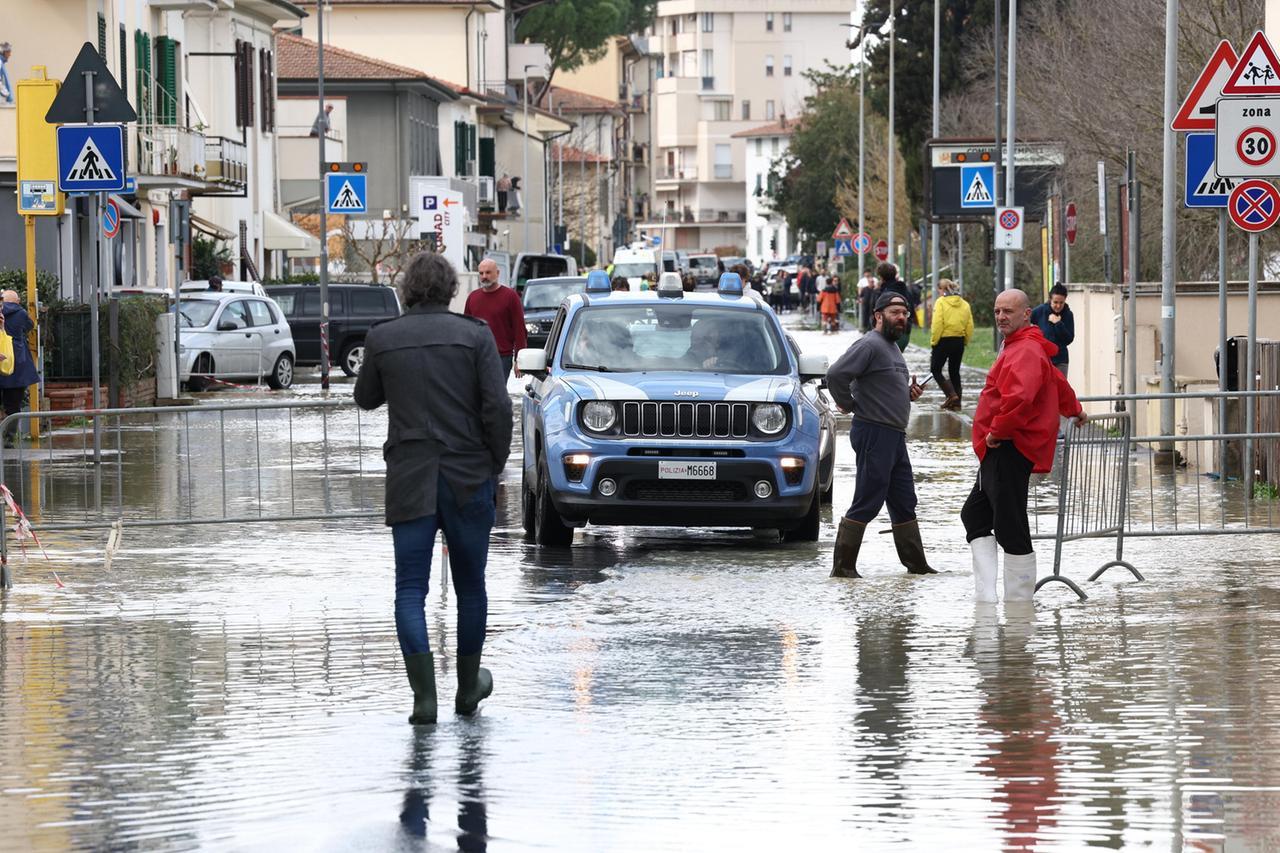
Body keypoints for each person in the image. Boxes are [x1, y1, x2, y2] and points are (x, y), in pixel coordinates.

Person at [354, 252, 512, 725]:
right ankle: (467, 689)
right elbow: (498, 408)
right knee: (471, 588)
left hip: (410, 477)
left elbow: (365, 398)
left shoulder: (383, 338)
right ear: (450, 289)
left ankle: (424, 698)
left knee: (409, 590)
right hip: (468, 477)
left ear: (406, 290)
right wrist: (494, 463)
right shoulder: (475, 336)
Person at [963, 289, 1087, 603]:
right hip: (1001, 446)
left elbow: (1019, 399)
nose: (1001, 317)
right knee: (975, 515)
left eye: (1008, 311)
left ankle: (1018, 605)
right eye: (997, 311)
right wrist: (1075, 410)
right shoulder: (1023, 346)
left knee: (1009, 525)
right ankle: (987, 599)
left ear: (1026, 314)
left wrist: (997, 433)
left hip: (1008, 446)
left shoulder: (1026, 350)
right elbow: (1056, 384)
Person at [825, 291, 938, 578]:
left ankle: (917, 565)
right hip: (875, 432)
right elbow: (836, 374)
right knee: (868, 498)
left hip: (894, 435)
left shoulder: (892, 347)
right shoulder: (870, 344)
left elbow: (883, 386)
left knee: (904, 500)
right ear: (878, 316)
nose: (901, 318)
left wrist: (908, 394)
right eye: (894, 313)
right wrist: (848, 404)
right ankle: (843, 568)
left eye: (904, 314)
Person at [464, 258, 526, 377]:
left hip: (501, 358)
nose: (484, 276)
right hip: (477, 356)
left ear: (497, 273)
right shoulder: (472, 298)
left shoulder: (510, 297)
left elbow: (519, 329)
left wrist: (520, 360)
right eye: (481, 273)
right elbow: (467, 329)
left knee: (496, 394)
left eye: (488, 272)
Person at [0, 291, 37, 446]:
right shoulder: (21, 313)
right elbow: (30, 325)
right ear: (17, 301)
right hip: (16, 367)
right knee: (13, 406)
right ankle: (8, 439)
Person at [930, 279, 973, 410]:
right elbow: (970, 325)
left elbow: (937, 324)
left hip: (943, 340)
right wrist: (965, 340)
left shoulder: (941, 302)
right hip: (958, 340)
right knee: (954, 371)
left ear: (942, 290)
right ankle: (957, 401)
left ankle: (951, 395)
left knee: (935, 370)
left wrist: (934, 341)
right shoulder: (965, 304)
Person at [1030, 283, 1075, 377]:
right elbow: (1024, 321)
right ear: (1050, 300)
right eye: (1055, 302)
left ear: (1065, 300)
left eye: (1061, 303)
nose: (1058, 306)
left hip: (1060, 360)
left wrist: (1058, 324)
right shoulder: (1040, 311)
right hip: (1042, 358)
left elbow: (1069, 339)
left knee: (1059, 389)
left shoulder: (1068, 315)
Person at [876, 262, 913, 352]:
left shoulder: (883, 293)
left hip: (887, 332)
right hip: (904, 330)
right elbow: (911, 310)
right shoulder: (904, 289)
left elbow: (876, 312)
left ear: (881, 277)